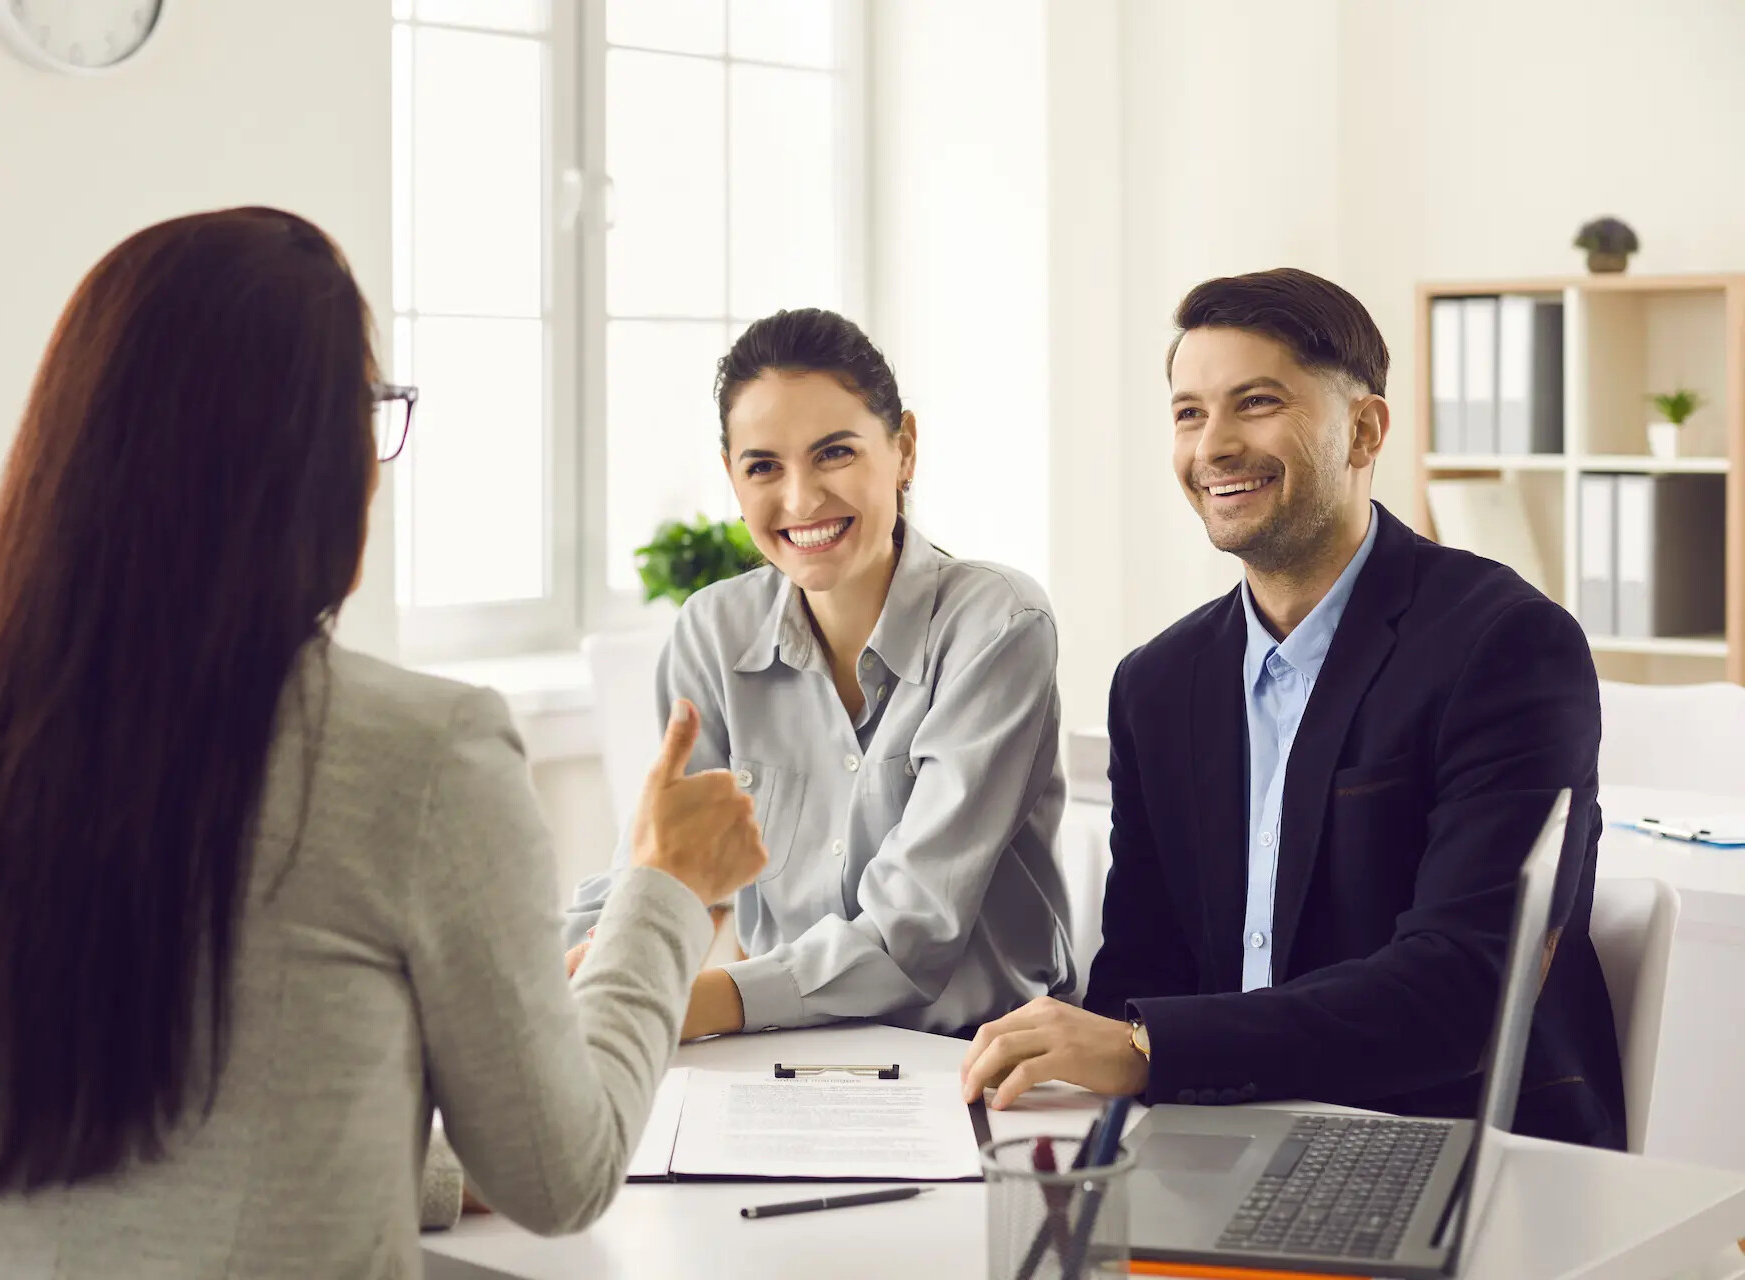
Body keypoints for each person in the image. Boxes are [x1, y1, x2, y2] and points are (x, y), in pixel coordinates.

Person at [0, 207, 767, 1279]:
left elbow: (183, 1121)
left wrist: (410, 1151)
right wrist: (665, 889)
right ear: (312, 458)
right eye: (368, 409)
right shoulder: (425, 752)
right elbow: (562, 1176)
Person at [961, 268, 1624, 1149]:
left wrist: (1155, 1049)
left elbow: (1465, 986)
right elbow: (1142, 972)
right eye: (1189, 413)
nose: (1214, 446)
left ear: (1365, 429)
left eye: (1257, 403)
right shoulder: (1156, 684)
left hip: (1457, 1146)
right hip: (1215, 1136)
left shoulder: (1506, 647)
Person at [566, 308, 1075, 1039]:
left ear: (903, 449)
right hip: (780, 1054)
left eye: (834, 453)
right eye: (763, 466)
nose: (801, 499)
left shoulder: (998, 627)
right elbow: (652, 872)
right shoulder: (712, 633)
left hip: (976, 1060)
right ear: (732, 477)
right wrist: (571, 969)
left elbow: (912, 929)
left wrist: (676, 1000)